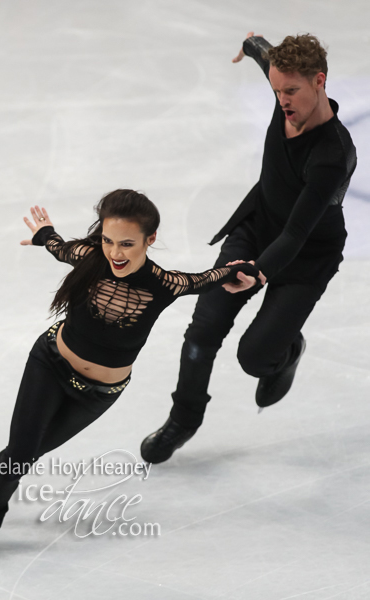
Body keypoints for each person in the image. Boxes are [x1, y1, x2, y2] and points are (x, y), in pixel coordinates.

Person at [0, 189, 259, 558]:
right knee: (21, 450)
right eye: (108, 240)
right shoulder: (89, 258)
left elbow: (203, 279)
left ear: (151, 239)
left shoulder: (164, 284)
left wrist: (235, 272)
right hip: (49, 363)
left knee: (25, 453)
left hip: (98, 392)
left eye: (127, 243)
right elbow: (59, 247)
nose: (115, 252)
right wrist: (44, 234)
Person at [140, 32, 357, 464]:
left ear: (320, 81)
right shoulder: (287, 85)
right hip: (255, 229)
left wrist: (258, 273)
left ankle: (287, 350)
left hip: (306, 256)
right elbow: (265, 54)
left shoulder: (332, 155)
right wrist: (254, 44)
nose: (282, 101)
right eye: (276, 90)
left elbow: (296, 235)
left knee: (255, 358)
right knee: (203, 331)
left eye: (291, 90)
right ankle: (184, 419)